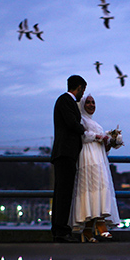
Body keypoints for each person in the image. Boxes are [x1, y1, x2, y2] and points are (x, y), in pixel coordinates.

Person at [69, 93, 121, 242]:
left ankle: (88, 230)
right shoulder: (80, 119)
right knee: (93, 187)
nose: (92, 105)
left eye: (93, 102)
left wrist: (111, 140)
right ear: (82, 105)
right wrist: (99, 137)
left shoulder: (95, 123)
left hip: (99, 157)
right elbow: (83, 136)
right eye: (88, 103)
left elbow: (103, 145)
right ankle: (99, 223)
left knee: (100, 188)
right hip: (88, 156)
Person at [51, 75, 87, 243]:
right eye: (83, 90)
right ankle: (61, 231)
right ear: (79, 88)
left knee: (62, 193)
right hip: (65, 153)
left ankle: (59, 229)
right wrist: (85, 131)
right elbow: (72, 123)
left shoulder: (63, 101)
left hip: (64, 154)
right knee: (64, 194)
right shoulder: (66, 100)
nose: (83, 95)